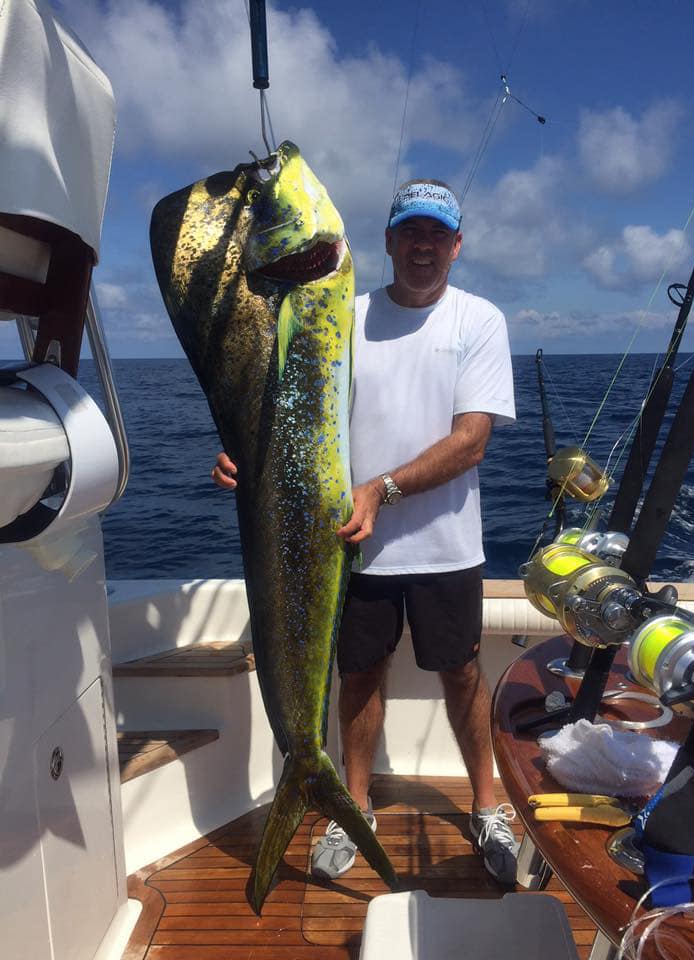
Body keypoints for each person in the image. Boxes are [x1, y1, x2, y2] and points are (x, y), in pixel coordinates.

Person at [212, 179, 518, 884]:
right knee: (358, 677)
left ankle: (486, 806)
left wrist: (382, 488)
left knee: (464, 673)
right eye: (410, 233)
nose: (422, 247)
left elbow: (471, 442)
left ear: (457, 245)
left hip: (446, 545)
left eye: (437, 235)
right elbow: (286, 408)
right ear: (386, 241)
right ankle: (353, 805)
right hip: (351, 546)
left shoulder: (479, 320)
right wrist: (244, 453)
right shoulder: (341, 314)